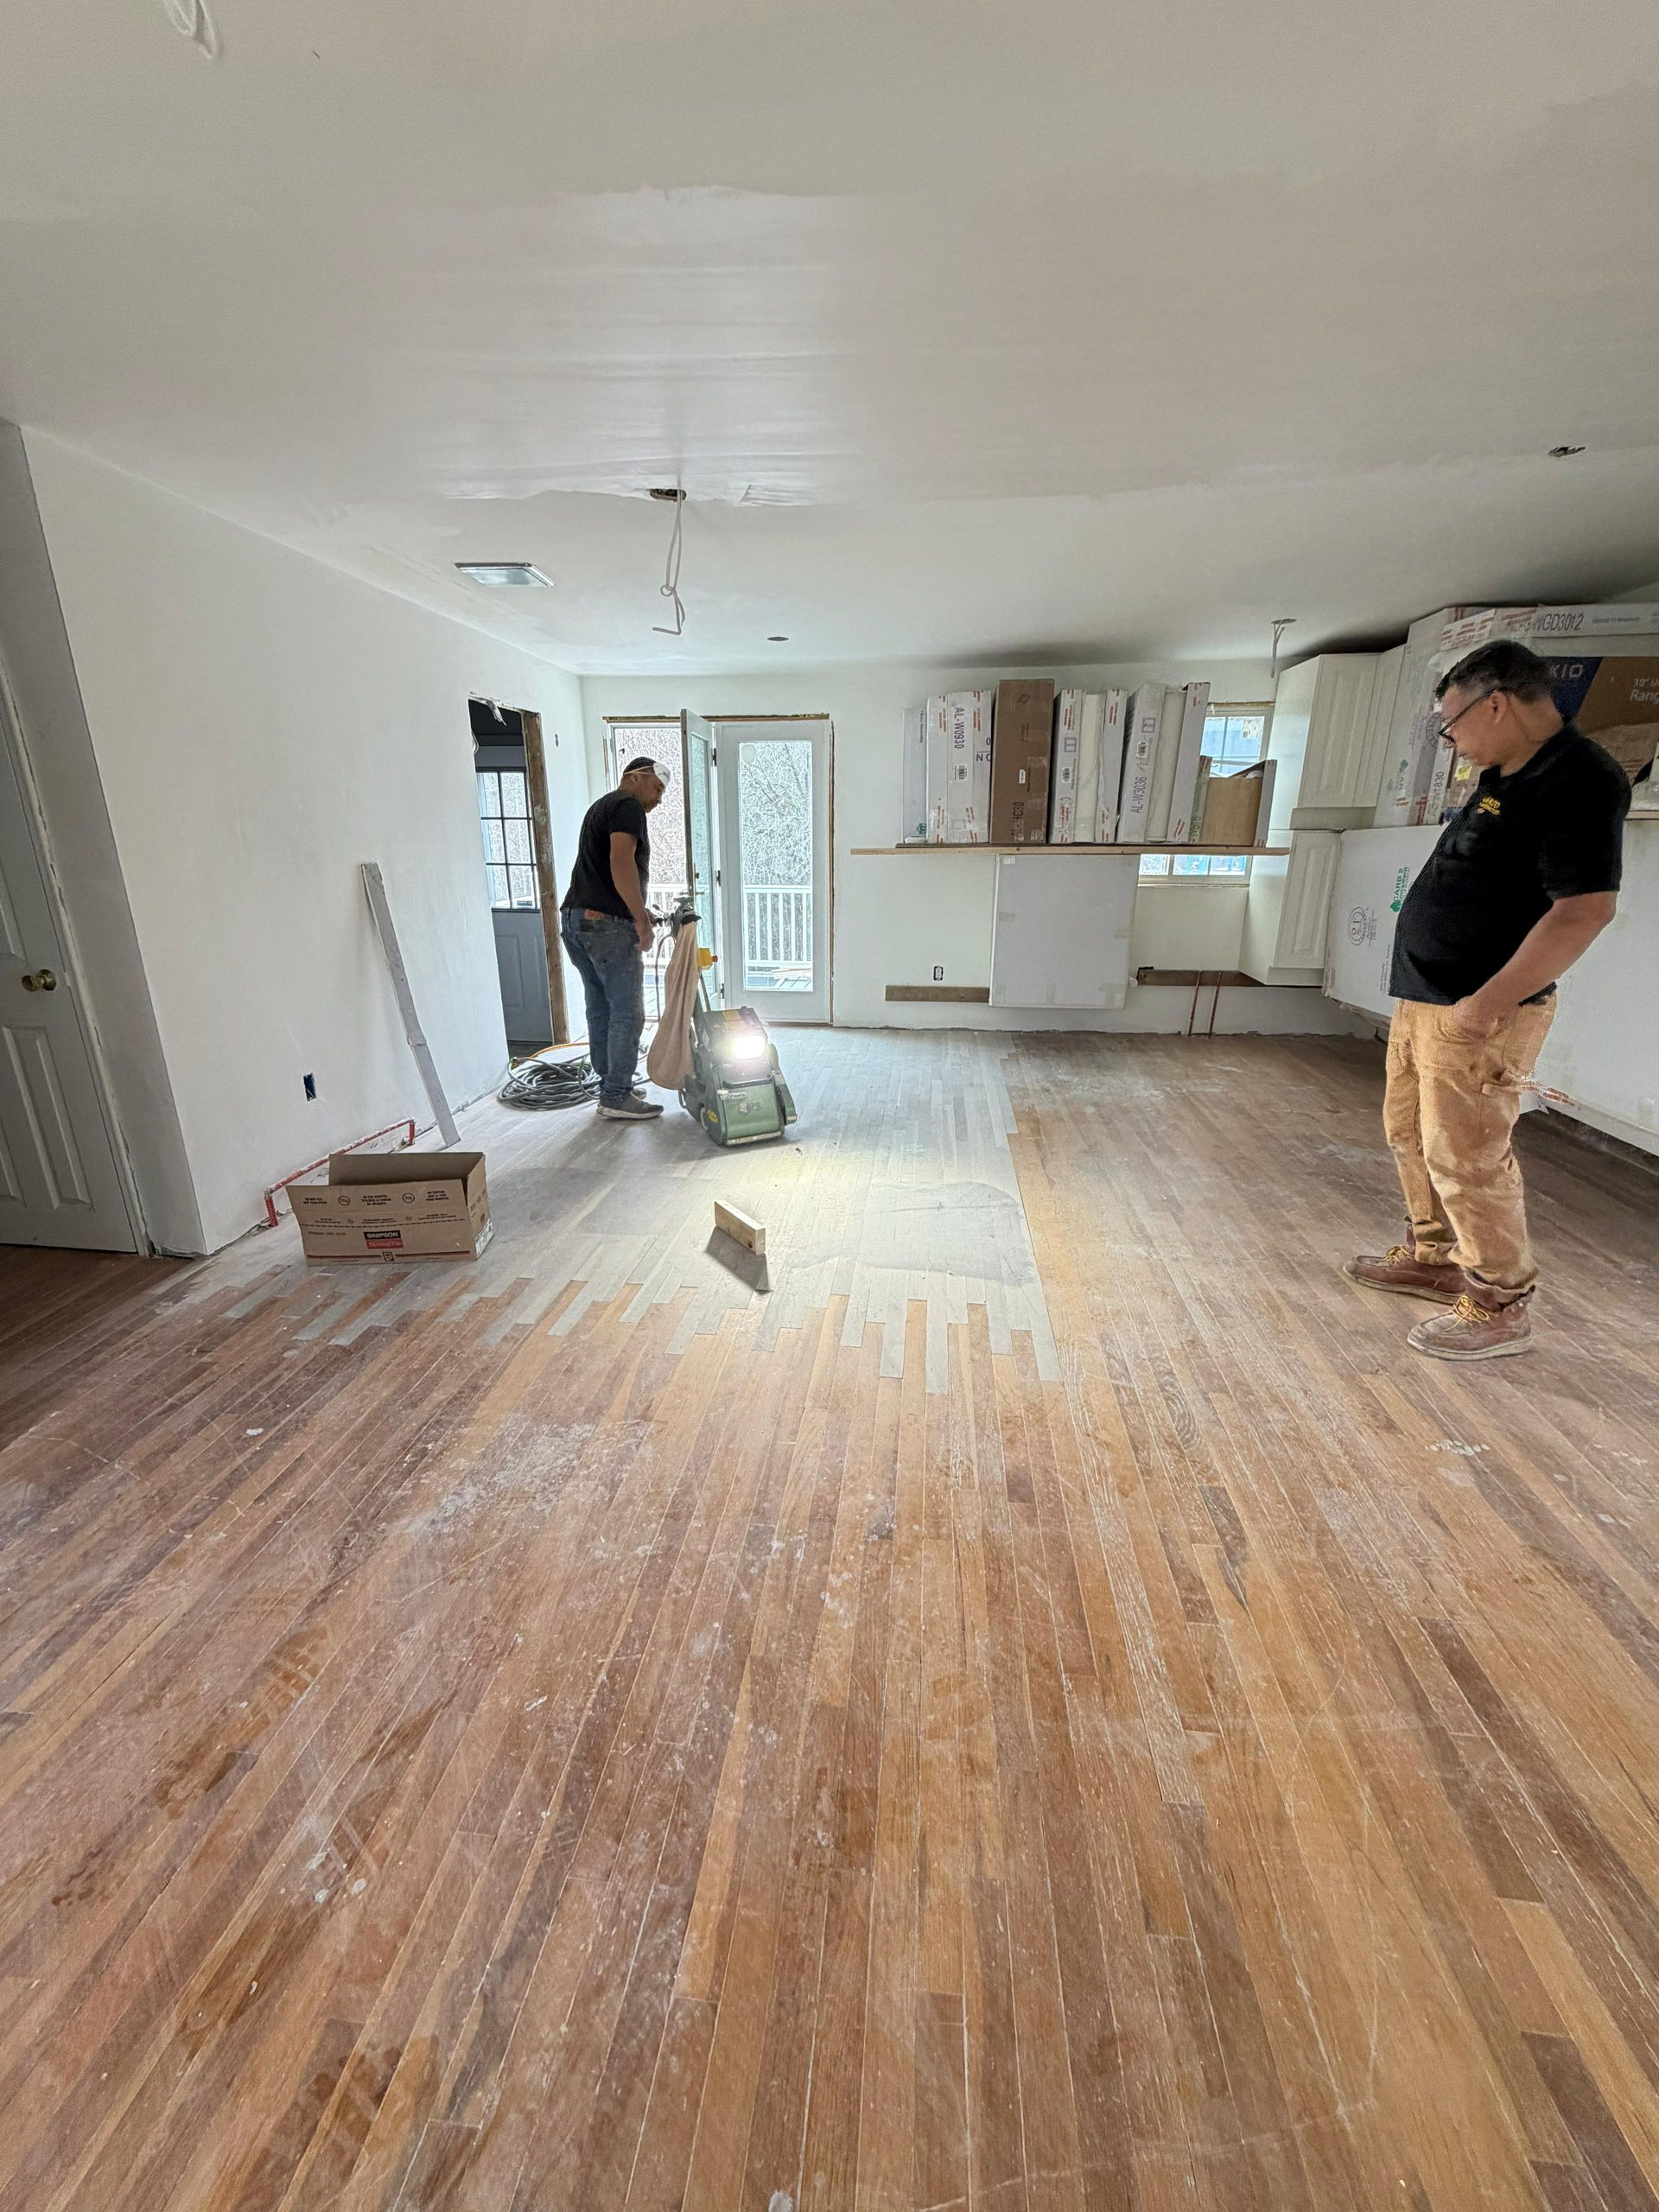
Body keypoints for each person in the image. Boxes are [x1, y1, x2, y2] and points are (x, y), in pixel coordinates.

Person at [1346, 639, 1629, 1361]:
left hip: (1478, 1010)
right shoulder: (1506, 770)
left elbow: (1584, 910)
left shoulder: (1577, 778)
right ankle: (1437, 1258)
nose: (1452, 739)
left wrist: (1488, 1003)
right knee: (1411, 1135)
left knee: (1469, 1155)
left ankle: (1499, 1299)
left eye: (1453, 722)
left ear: (1496, 702)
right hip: (1427, 999)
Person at [560, 755, 668, 1121]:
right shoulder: (628, 806)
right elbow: (621, 863)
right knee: (627, 1010)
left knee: (600, 1006)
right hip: (604, 926)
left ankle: (612, 1085)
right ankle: (617, 1094)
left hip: (576, 919)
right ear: (636, 778)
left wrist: (638, 908)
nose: (659, 798)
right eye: (657, 788)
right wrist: (640, 920)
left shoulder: (601, 806)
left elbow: (603, 873)